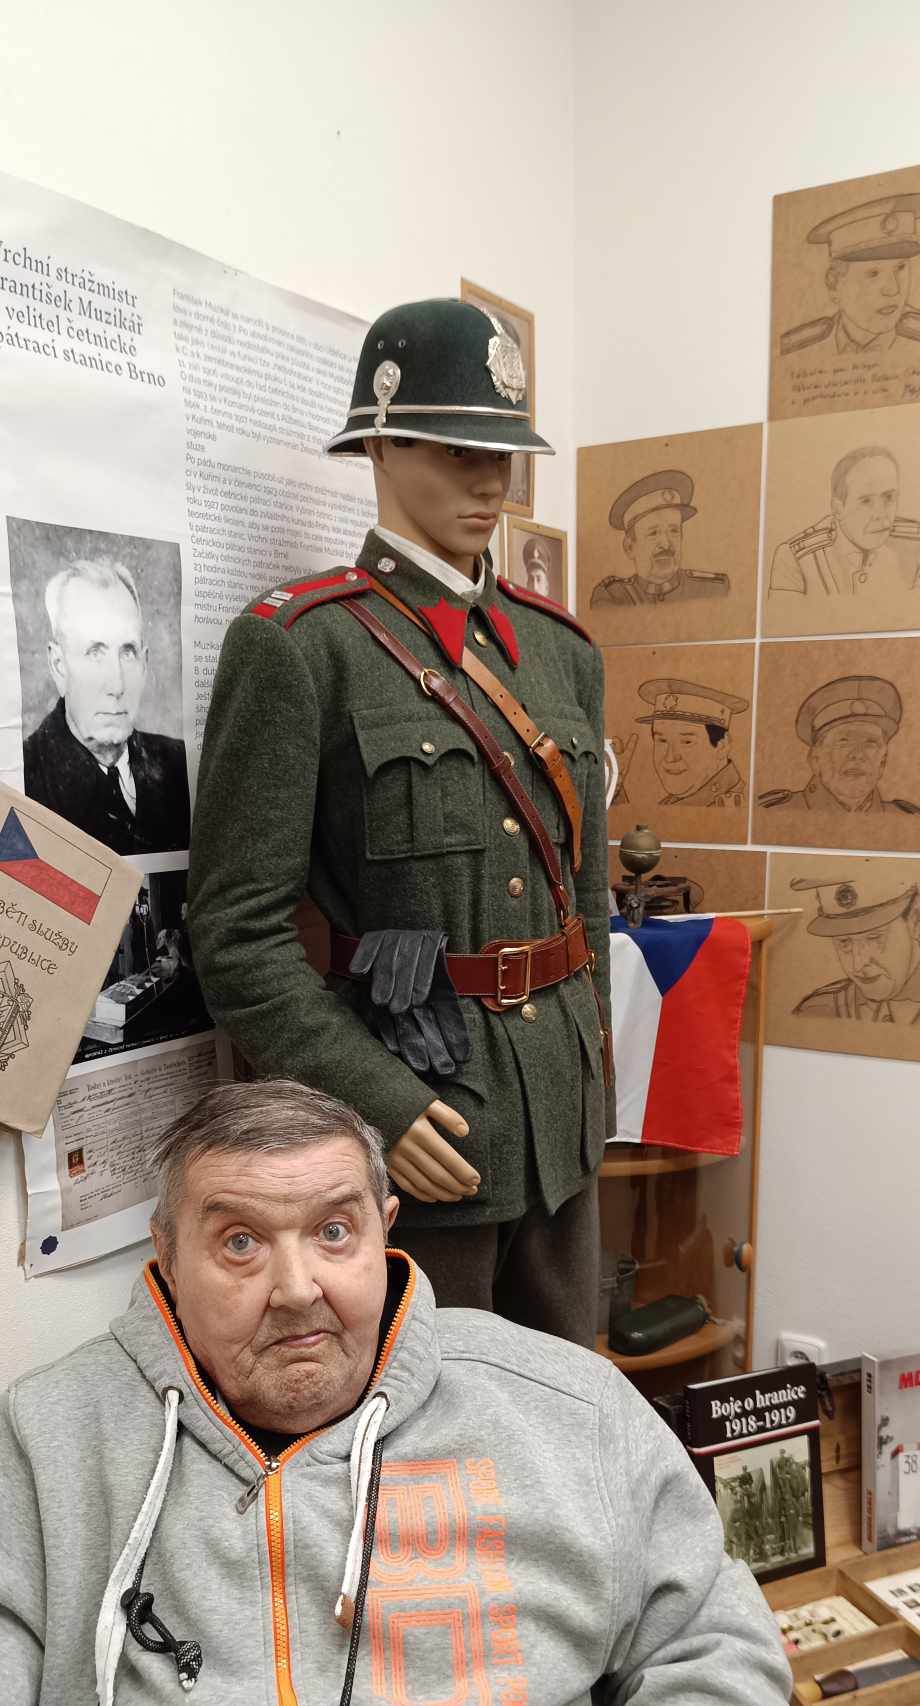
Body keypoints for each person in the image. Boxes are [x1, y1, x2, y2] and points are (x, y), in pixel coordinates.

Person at [0, 1081, 792, 1706]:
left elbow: (717, 1652)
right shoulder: (49, 1449)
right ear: (166, 1256)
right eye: (240, 1242)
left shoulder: (562, 1409)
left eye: (334, 1233)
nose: (298, 1287)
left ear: (385, 1230)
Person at [188, 297, 612, 1350]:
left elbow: (587, 897)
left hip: (561, 1123)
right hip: (425, 1119)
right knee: (427, 1423)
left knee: (572, 1404)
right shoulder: (302, 645)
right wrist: (376, 1099)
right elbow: (237, 935)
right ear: (379, 444)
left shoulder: (561, 653)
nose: (489, 482)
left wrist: (591, 1077)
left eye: (502, 453)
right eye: (456, 449)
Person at [23, 558, 190, 855]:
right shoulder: (24, 775)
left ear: (145, 663)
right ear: (59, 665)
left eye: (128, 653)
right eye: (95, 653)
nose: (117, 685)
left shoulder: (180, 764)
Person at [768, 447, 920, 603]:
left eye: (889, 497)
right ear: (838, 509)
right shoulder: (796, 559)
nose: (880, 514)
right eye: (866, 501)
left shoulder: (915, 546)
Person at [758, 675, 920, 815]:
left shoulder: (907, 819)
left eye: (870, 743)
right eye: (844, 742)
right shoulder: (774, 813)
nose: (858, 754)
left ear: (882, 762)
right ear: (815, 759)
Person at [780, 196, 920, 359]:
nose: (893, 289)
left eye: (900, 268)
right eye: (873, 274)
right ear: (834, 285)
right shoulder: (797, 348)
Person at [790, 875, 920, 1022]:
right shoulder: (819, 1009)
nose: (857, 964)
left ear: (915, 920)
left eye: (873, 937)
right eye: (844, 941)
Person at [590, 471, 730, 607]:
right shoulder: (613, 597)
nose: (666, 544)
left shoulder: (714, 589)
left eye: (674, 531)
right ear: (630, 547)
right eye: (653, 533)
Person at [636, 679, 748, 808]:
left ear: (722, 746)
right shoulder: (676, 801)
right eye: (662, 740)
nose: (670, 758)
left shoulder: (737, 805)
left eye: (687, 742)